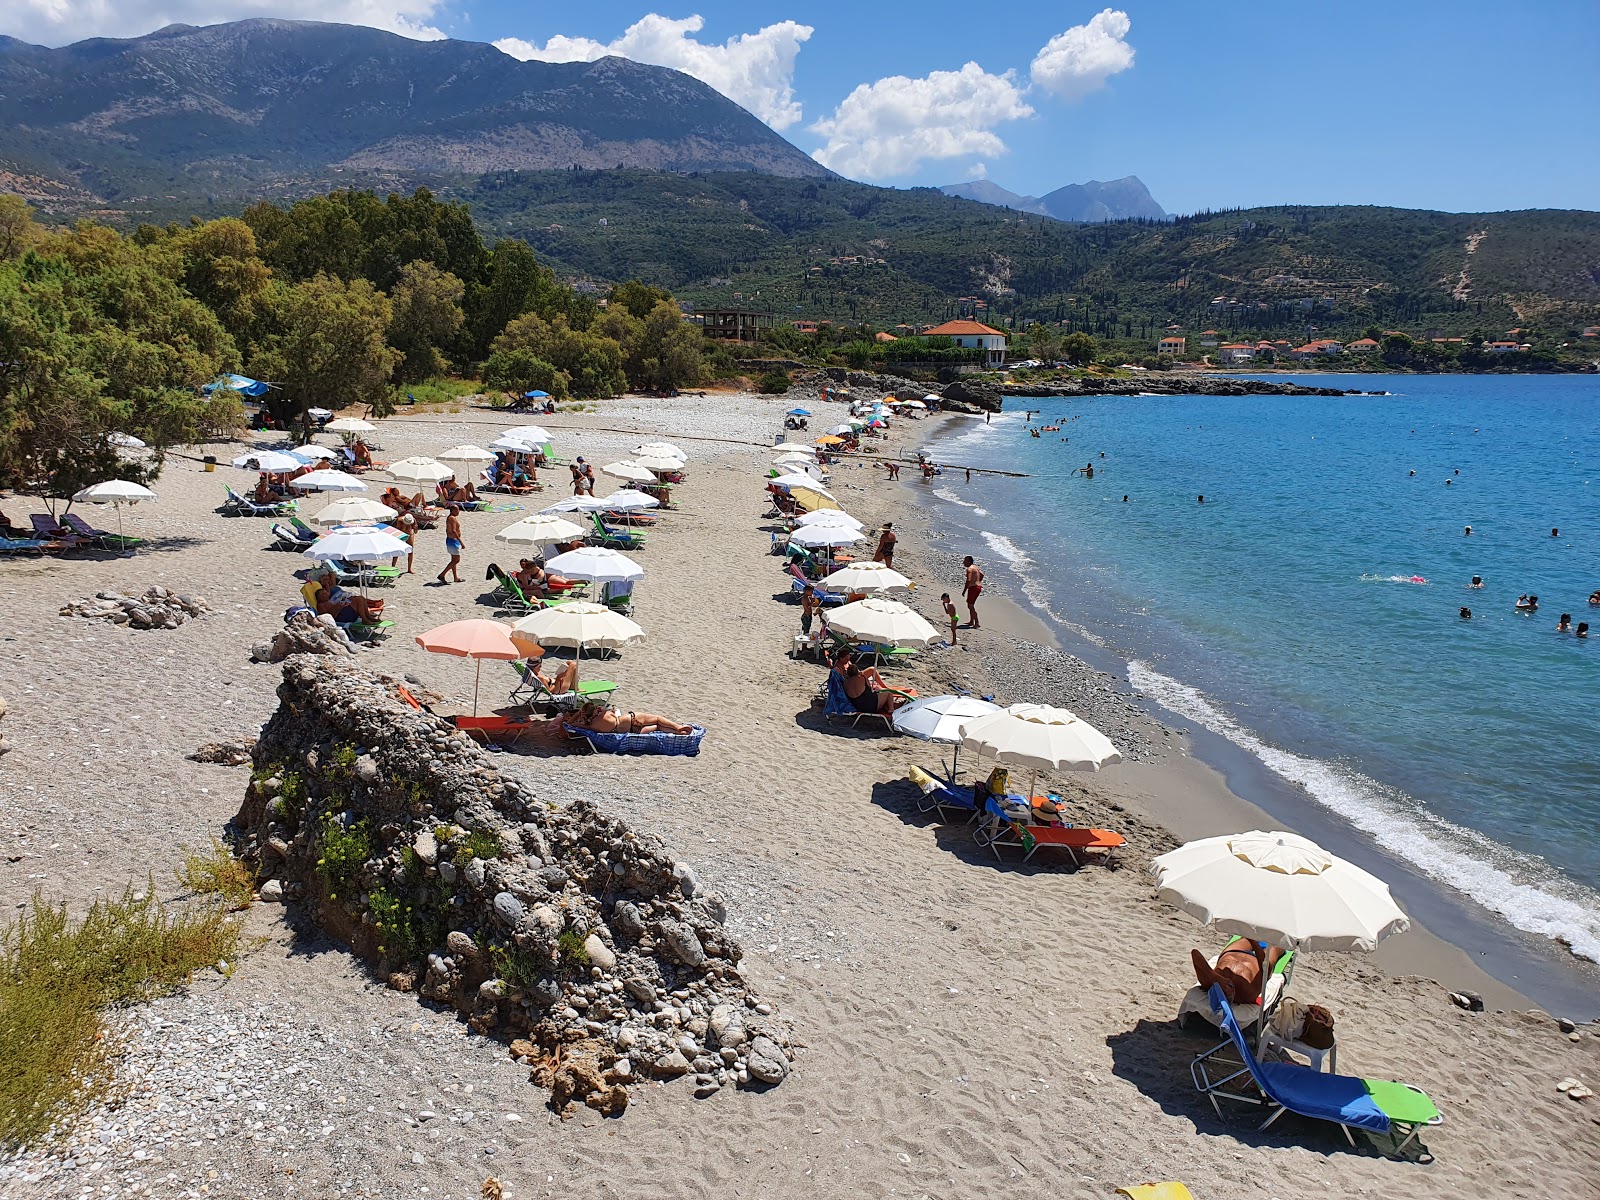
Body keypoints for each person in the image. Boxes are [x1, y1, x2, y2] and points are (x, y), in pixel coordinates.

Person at [832, 650, 906, 716]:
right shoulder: (838, 667)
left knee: (872, 670)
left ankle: (884, 689)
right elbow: (869, 689)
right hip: (870, 703)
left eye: (849, 658)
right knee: (888, 694)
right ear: (841, 658)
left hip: (857, 704)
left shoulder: (846, 681)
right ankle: (891, 709)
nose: (848, 660)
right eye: (846, 659)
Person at [570, 702, 693, 736]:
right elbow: (615, 714)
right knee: (657, 718)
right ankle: (678, 727)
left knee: (658, 727)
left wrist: (578, 714)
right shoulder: (604, 713)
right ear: (596, 709)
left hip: (632, 730)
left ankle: (677, 732)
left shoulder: (591, 726)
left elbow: (571, 724)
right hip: (630, 718)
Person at [437, 506, 464, 584]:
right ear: (453, 510)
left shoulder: (452, 517)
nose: (458, 511)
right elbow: (454, 531)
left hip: (452, 540)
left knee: (453, 560)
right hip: (453, 541)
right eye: (457, 510)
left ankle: (455, 577)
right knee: (456, 560)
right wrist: (461, 542)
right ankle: (442, 575)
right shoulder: (451, 518)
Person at [962, 555, 984, 629]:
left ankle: (977, 623)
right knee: (970, 605)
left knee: (970, 606)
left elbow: (968, 580)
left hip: (973, 588)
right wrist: (978, 581)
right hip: (977, 587)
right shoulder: (975, 567)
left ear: (968, 561)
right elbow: (982, 574)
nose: (963, 562)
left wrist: (964, 590)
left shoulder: (969, 569)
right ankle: (971, 621)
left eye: (965, 561)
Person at [393, 508, 417, 573]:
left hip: (409, 534)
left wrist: (415, 528)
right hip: (401, 533)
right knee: (397, 551)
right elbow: (398, 530)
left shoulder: (413, 520)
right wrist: (403, 529)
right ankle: (393, 567)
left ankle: (409, 569)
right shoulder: (399, 520)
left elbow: (415, 531)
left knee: (411, 551)